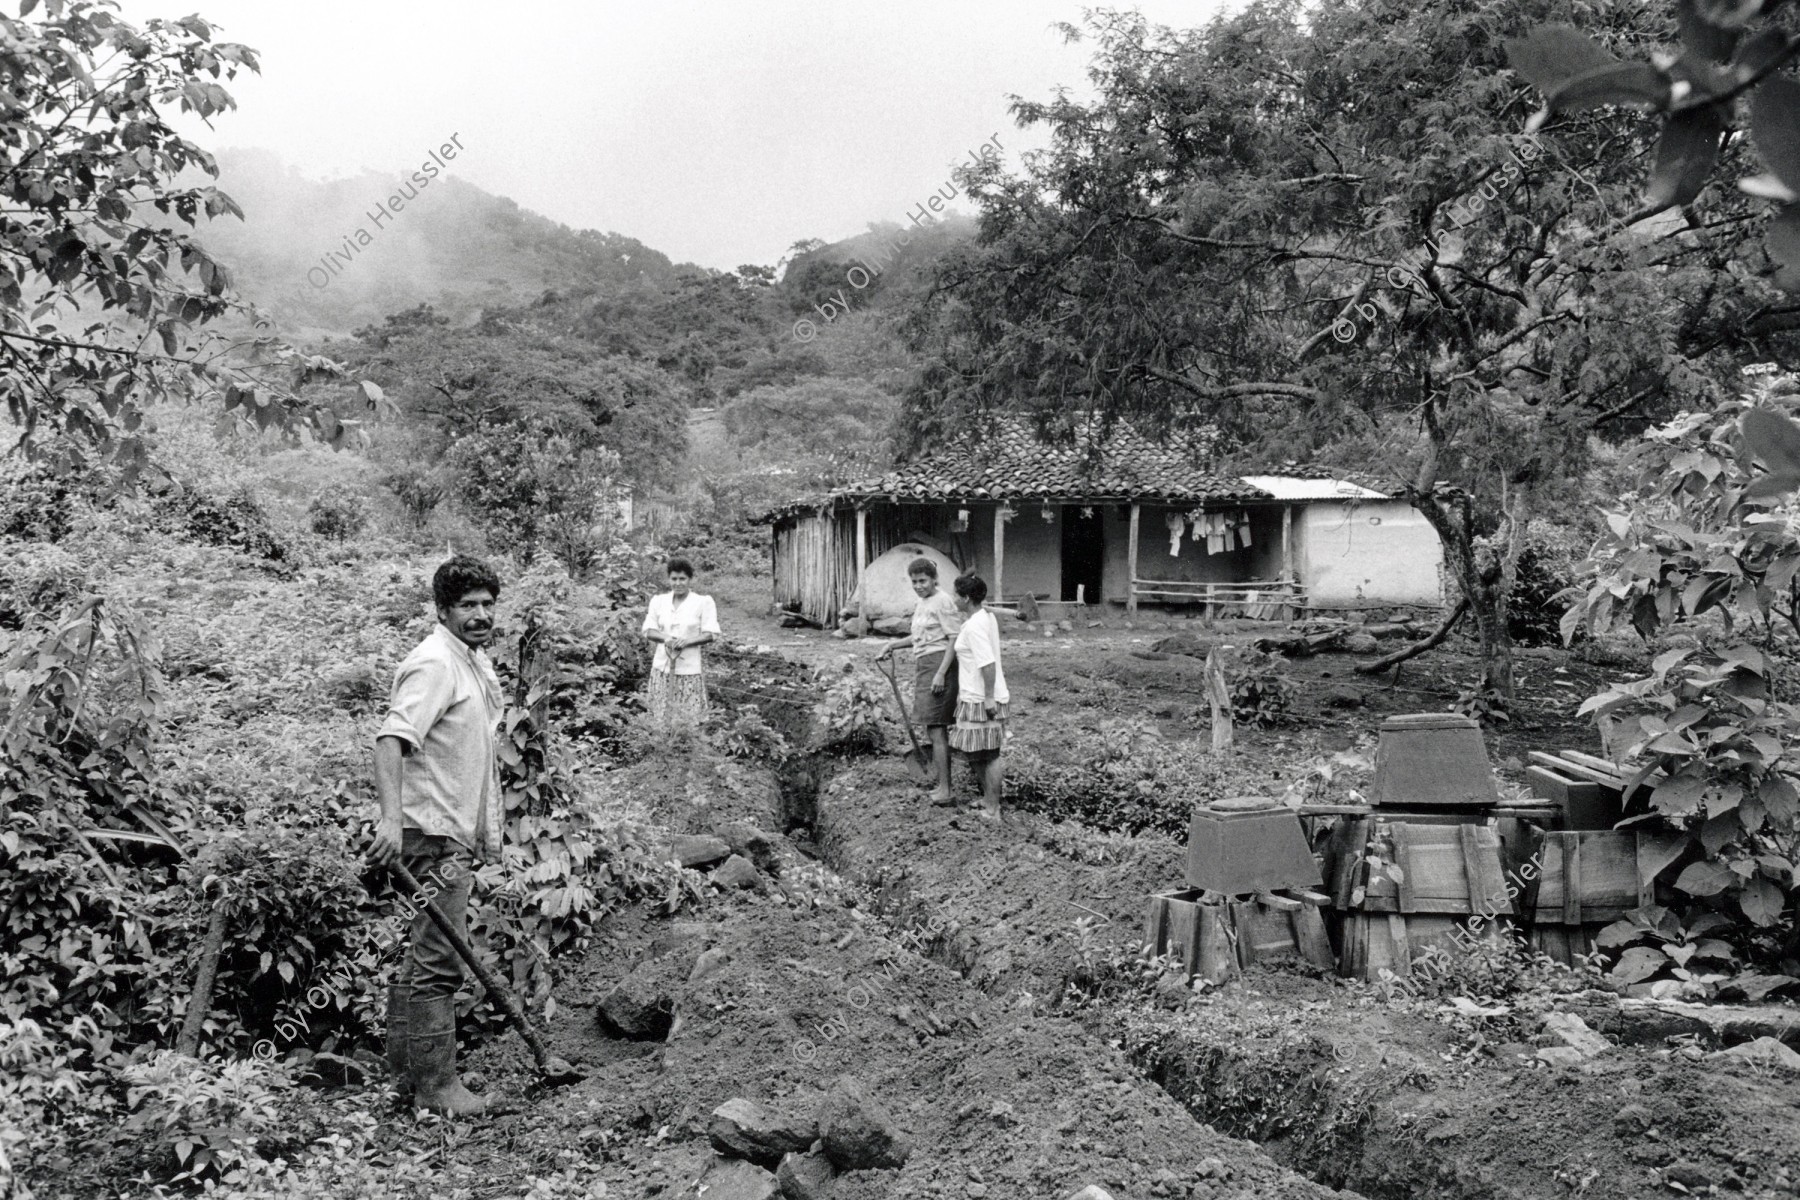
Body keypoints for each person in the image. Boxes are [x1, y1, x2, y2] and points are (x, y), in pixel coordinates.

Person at [369, 555, 505, 1116]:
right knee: (441, 961)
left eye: (486, 604)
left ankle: (406, 1073)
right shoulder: (434, 663)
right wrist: (389, 820)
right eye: (467, 605)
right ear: (443, 610)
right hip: (431, 835)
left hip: (450, 831)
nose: (480, 615)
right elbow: (389, 740)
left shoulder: (470, 660)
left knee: (424, 953)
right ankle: (439, 1090)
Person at [874, 557, 962, 804]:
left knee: (936, 728)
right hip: (926, 664)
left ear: (935, 579)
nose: (918, 586)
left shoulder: (943, 601)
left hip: (939, 665)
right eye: (914, 582)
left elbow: (954, 639)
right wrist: (892, 644)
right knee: (932, 727)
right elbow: (919, 638)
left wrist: (941, 673)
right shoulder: (924, 602)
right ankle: (942, 786)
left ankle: (946, 790)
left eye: (923, 581)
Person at [948, 573, 1009, 821]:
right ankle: (987, 798)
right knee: (976, 753)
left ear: (965, 598)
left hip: (981, 698)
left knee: (990, 754)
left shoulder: (975, 626)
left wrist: (988, 698)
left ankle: (993, 810)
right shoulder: (985, 617)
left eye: (956, 595)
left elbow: (988, 663)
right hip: (972, 696)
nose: (953, 600)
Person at [641, 557, 720, 730]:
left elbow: (711, 633)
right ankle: (662, 747)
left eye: (682, 579)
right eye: (674, 579)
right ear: (669, 579)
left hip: (689, 670)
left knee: (686, 718)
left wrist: (687, 641)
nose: (678, 583)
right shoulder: (658, 601)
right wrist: (666, 639)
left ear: (690, 579)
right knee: (661, 717)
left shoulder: (702, 602)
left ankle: (685, 749)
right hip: (662, 667)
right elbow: (648, 630)